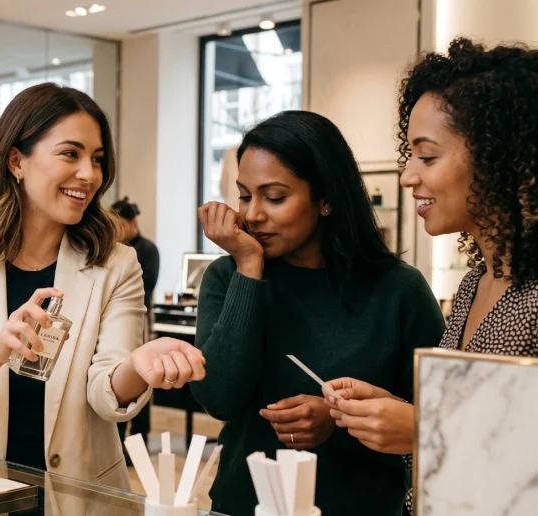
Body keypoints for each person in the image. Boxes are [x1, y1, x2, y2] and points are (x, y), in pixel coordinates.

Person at [0, 83, 206, 489]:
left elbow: (105, 393)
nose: (89, 174)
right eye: (70, 153)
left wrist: (137, 365)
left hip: (81, 494)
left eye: (97, 159)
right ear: (17, 160)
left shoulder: (116, 264)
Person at [326, 38, 538, 494]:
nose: (408, 175)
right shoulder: (474, 283)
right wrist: (399, 414)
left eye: (427, 156)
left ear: (501, 159)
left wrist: (425, 429)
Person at [190, 111, 445, 516]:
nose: (253, 214)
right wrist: (249, 268)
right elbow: (221, 398)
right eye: (244, 195)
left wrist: (338, 419)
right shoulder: (228, 277)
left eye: (274, 197)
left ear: (325, 199)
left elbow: (436, 422)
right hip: (244, 504)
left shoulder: (398, 290)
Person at [110, 197, 159, 448]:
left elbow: (147, 284)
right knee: (115, 375)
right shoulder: (112, 250)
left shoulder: (148, 249)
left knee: (142, 377)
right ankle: (117, 438)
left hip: (141, 320)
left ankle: (140, 438)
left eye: (119, 224)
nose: (116, 230)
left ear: (132, 222)